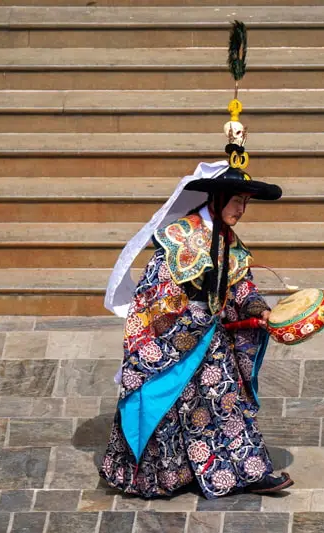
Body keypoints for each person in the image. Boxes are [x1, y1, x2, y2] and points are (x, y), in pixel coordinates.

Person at [98, 163, 294, 499]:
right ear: (218, 200)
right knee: (171, 409)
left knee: (227, 401)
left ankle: (251, 473)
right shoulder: (180, 237)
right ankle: (164, 477)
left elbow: (240, 286)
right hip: (172, 342)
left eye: (246, 203)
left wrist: (260, 311)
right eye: (237, 201)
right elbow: (155, 293)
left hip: (209, 340)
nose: (241, 210)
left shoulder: (226, 239)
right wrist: (193, 318)